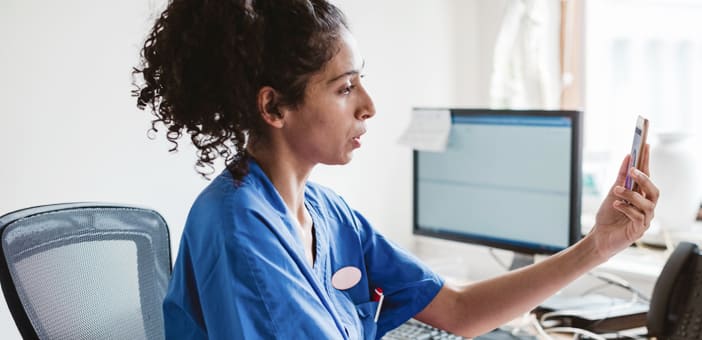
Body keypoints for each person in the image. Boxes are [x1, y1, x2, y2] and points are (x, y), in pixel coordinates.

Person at [133, 0, 659, 339]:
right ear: (274, 108)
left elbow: (457, 310)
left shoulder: (327, 213)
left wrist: (599, 245)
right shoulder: (238, 231)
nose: (369, 105)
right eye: (345, 88)